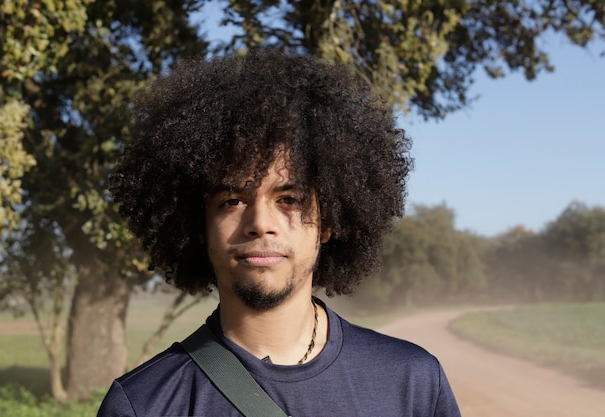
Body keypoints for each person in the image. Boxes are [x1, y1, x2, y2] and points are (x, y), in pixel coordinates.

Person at [97, 49, 461, 417]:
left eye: (288, 198)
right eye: (232, 200)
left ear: (329, 222)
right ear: (199, 225)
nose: (260, 222)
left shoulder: (412, 383)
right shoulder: (142, 405)